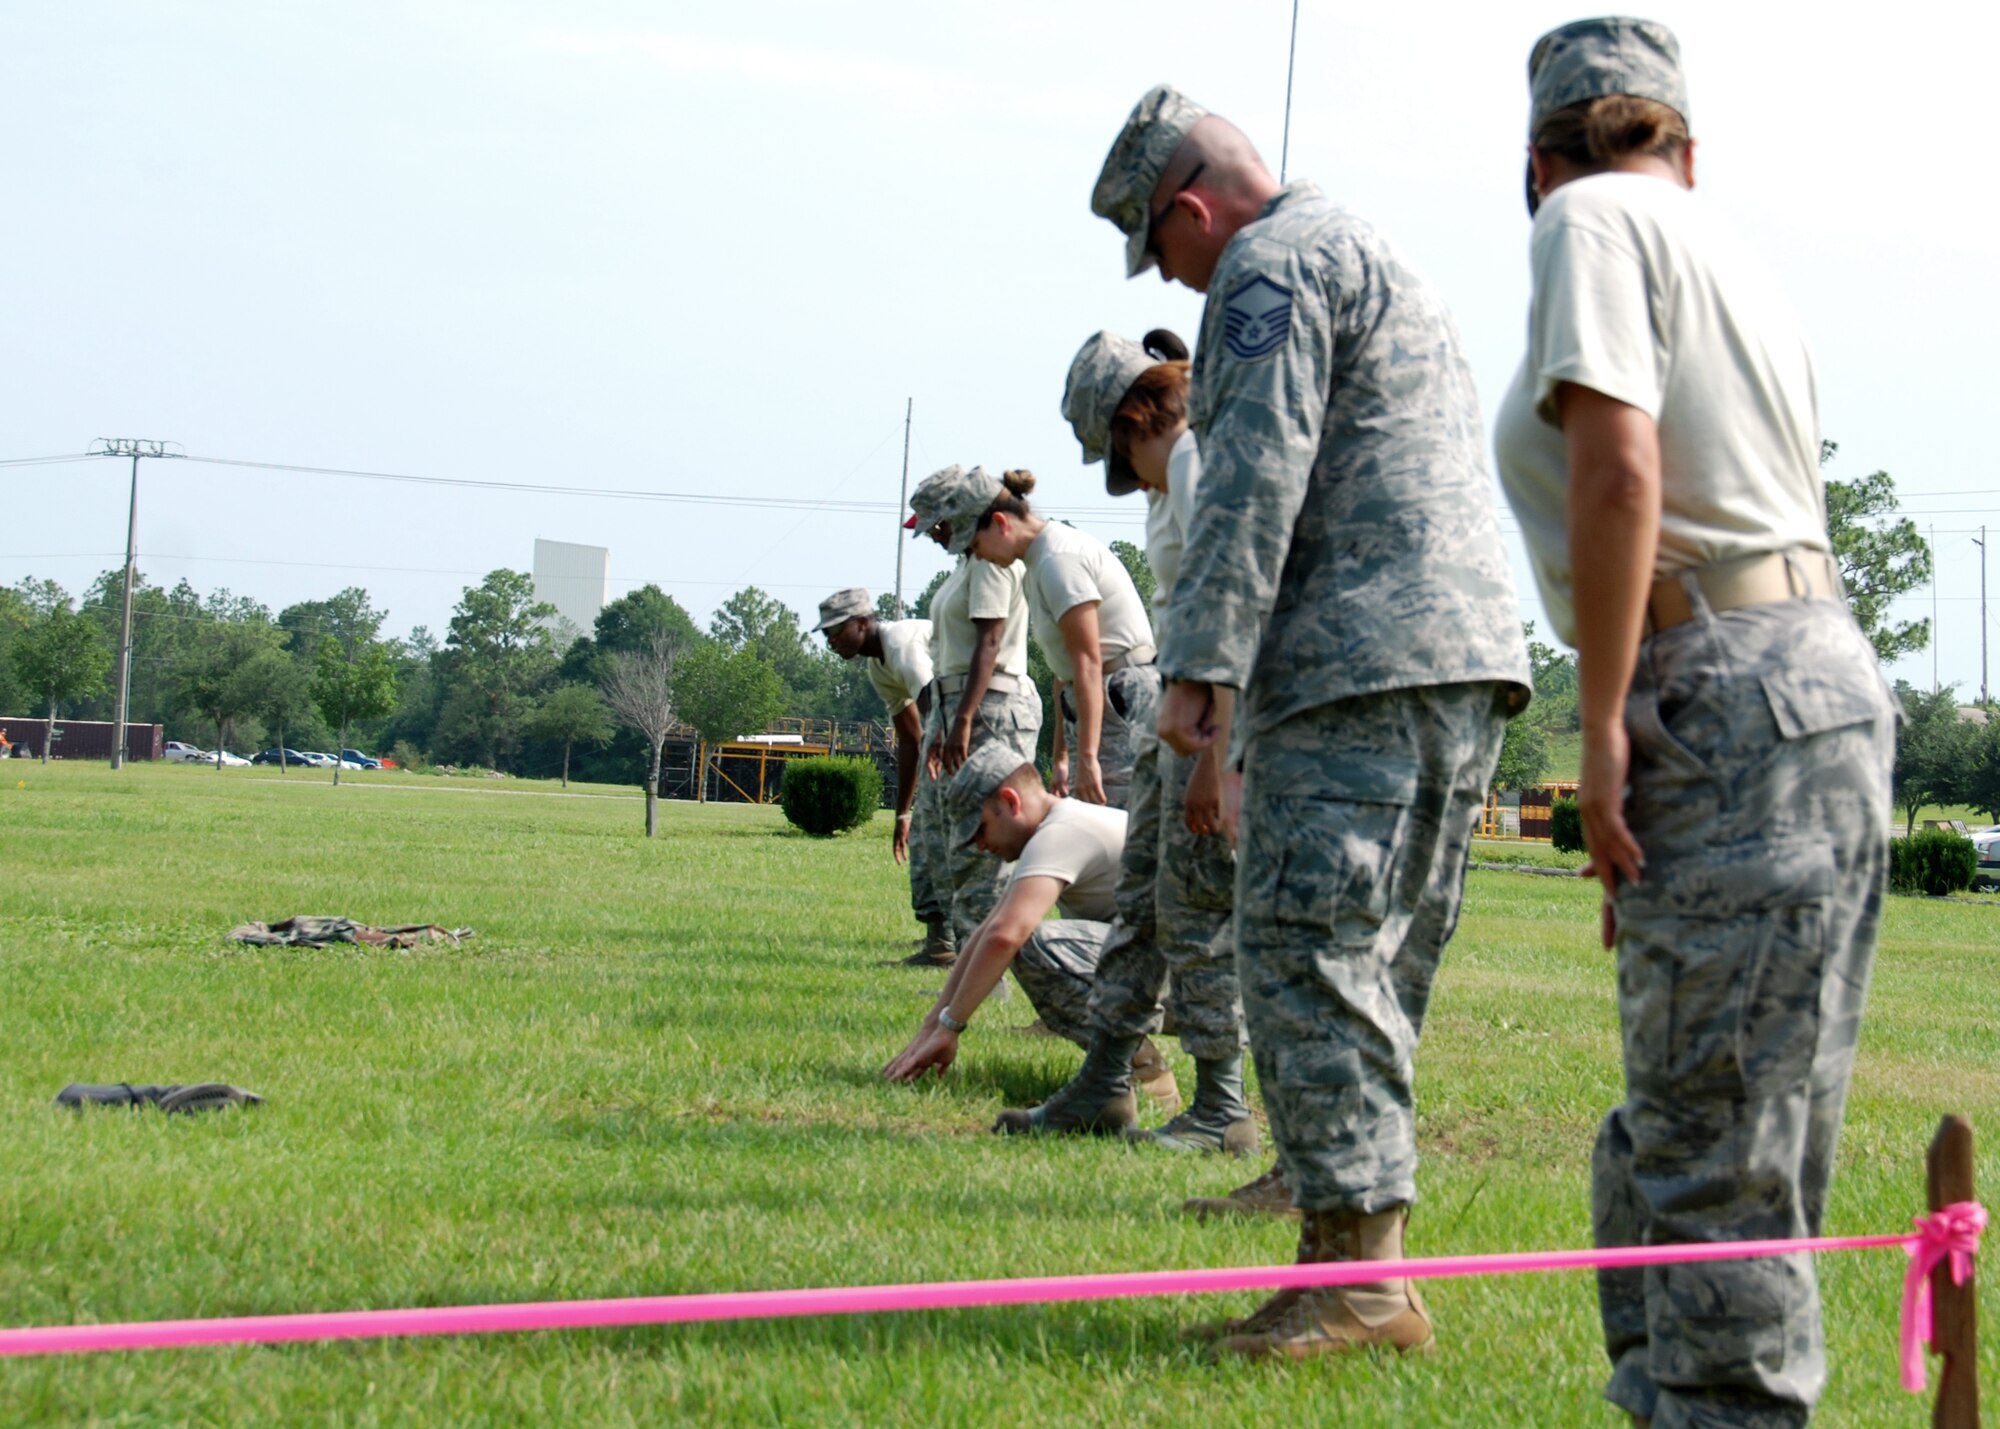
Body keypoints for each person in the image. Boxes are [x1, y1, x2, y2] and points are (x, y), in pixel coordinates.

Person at [1494, 20, 1899, 1426]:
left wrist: (1606, 727)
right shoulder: (1734, 258)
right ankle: (1670, 1398)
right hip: (1809, 683)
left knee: (1713, 1142)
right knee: (1729, 1120)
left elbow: (1619, 475)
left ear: (1533, 164)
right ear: (1687, 143)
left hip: (1720, 675)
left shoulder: (1591, 224)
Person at [1093, 84, 1531, 1359]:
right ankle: (1344, 1261)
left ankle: (1357, 1288)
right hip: (1457, 657)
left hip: (1354, 662)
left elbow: (1250, 468)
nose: (1173, 283)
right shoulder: (1371, 245)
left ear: (1188, 208)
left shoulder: (1266, 267)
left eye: (1161, 251)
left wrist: (1202, 668)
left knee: (1302, 948)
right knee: (1368, 959)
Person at [990, 327, 1254, 1154]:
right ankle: (1104, 1083)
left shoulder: (1203, 459)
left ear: (1134, 417)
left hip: (1221, 722)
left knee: (1201, 908)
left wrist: (1219, 759)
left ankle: (1223, 1107)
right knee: (1142, 904)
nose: (1118, 473)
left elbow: (1238, 603)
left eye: (1111, 449)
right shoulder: (1173, 475)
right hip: (1179, 716)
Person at [882, 741, 1178, 1112]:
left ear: (1009, 802)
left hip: (1201, 988)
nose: (980, 846)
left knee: (1029, 944)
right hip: (1192, 978)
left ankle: (1141, 1072)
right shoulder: (1061, 824)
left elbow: (1007, 935)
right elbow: (985, 933)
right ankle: (1125, 1067)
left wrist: (951, 1027)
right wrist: (934, 1023)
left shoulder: (1061, 832)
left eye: (981, 830)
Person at [925, 467, 1155, 810]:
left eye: (975, 544)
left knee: (1121, 832)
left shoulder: (1058, 560)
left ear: (1001, 523)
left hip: (1121, 699)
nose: (978, 555)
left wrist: (1088, 757)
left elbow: (1088, 661)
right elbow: (1065, 672)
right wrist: (1063, 756)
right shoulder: (1037, 563)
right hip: (1096, 704)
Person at [903, 466, 1043, 956]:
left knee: (983, 840)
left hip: (990, 707)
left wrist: (963, 720)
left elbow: (990, 640)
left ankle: (990, 967)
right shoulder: (967, 563)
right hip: (957, 701)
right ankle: (961, 956)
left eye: (938, 525)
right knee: (946, 833)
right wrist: (945, 719)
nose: (935, 536)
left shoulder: (989, 563)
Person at [816, 587, 949, 965]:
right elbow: (910, 739)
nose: (832, 641)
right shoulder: (879, 667)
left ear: (862, 623)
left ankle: (957, 946)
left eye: (837, 631)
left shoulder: (902, 645)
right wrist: (903, 813)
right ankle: (941, 945)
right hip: (949, 730)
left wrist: (942, 764)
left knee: (947, 834)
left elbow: (934, 707)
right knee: (926, 831)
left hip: (978, 721)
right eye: (827, 635)